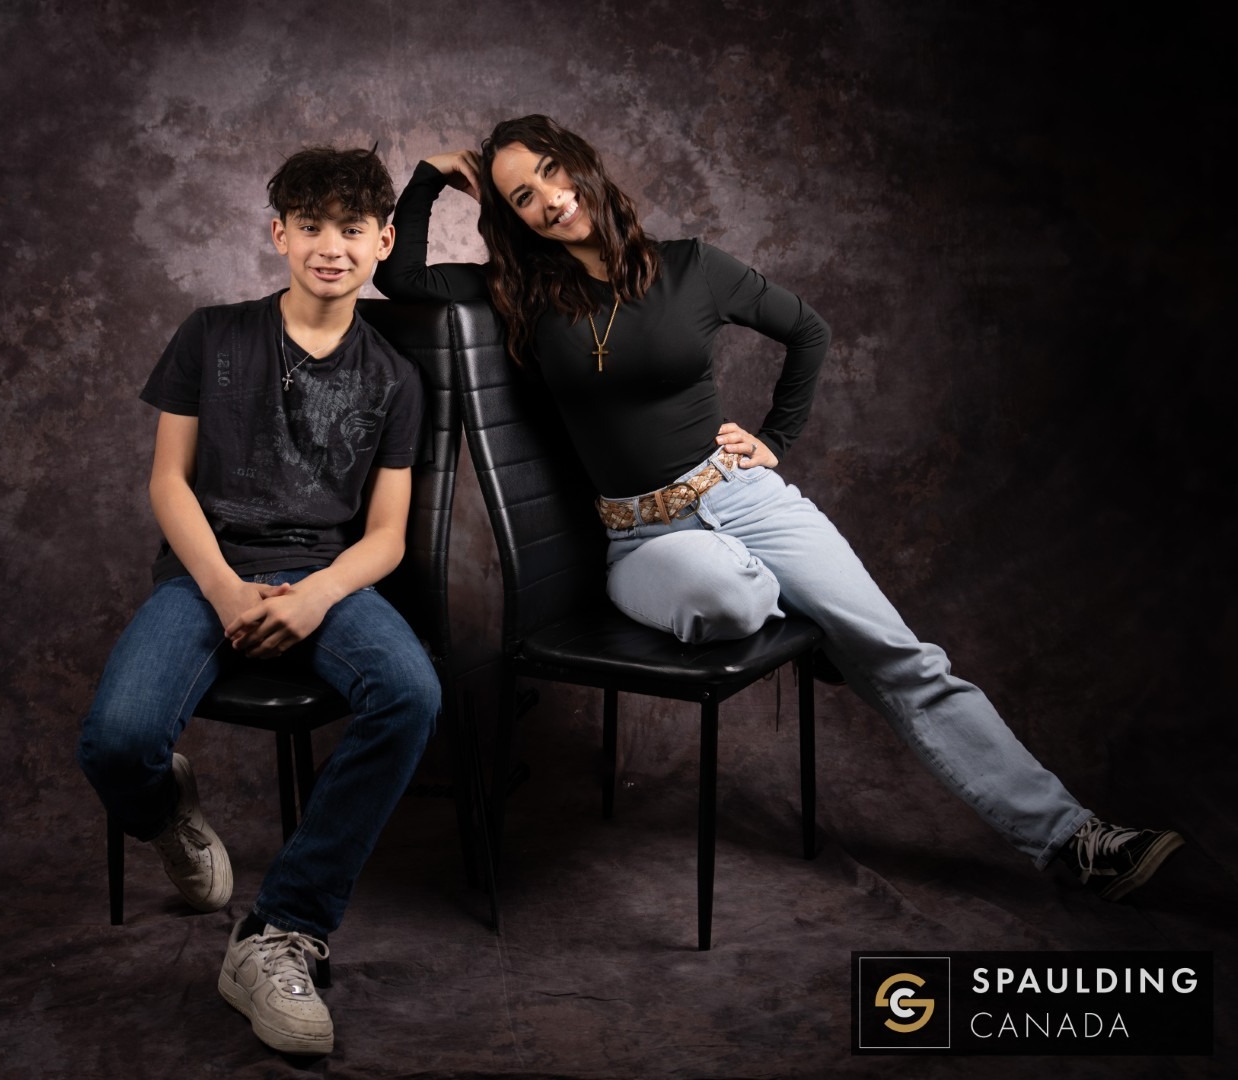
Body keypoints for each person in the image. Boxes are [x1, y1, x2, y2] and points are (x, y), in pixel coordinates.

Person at [374, 114, 1182, 904]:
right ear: (512, 218)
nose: (550, 199)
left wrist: (775, 438)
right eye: (522, 196)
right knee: (734, 598)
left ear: (580, 164)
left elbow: (809, 331)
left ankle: (1072, 837)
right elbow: (401, 279)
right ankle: (814, 615)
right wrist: (428, 179)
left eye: (552, 173)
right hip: (644, 542)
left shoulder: (694, 266)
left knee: (902, 655)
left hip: (746, 499)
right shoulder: (518, 295)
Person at [77, 145, 441, 1056]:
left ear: (383, 241)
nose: (331, 247)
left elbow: (387, 535)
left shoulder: (396, 378)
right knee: (117, 743)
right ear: (279, 234)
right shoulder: (213, 334)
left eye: (352, 229)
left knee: (411, 694)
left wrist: (317, 595)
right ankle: (165, 808)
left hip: (325, 574)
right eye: (310, 226)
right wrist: (224, 588)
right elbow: (168, 481)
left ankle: (279, 931)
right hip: (208, 569)